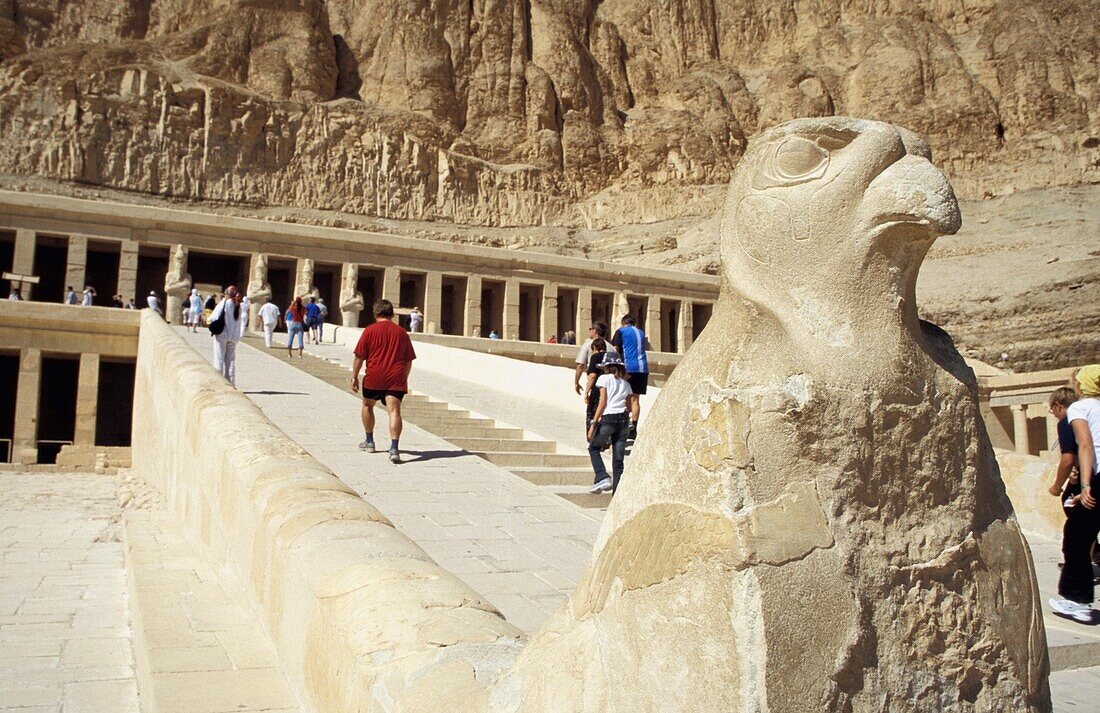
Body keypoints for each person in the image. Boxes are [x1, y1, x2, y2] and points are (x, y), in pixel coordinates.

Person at [1051, 365, 1100, 623]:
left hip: (1096, 478)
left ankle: (1078, 602)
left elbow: (1085, 445)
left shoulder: (1080, 409)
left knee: (1077, 539)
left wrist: (1085, 485)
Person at [350, 299, 416, 464]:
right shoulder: (401, 332)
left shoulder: (370, 330)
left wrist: (354, 375)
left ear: (375, 313)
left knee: (367, 405)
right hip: (395, 378)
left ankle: (369, 441)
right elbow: (408, 360)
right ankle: (394, 448)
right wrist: (404, 378)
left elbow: (359, 356)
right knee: (394, 411)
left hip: (374, 376)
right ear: (392, 314)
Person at [586, 351, 633, 494]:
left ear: (607, 367)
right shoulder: (625, 383)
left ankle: (602, 477)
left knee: (594, 448)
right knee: (618, 462)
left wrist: (593, 423)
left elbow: (602, 401)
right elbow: (630, 406)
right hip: (624, 419)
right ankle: (616, 499)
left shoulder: (604, 379)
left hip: (609, 418)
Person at [611, 315, 649, 439]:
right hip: (642, 368)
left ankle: (623, 425)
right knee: (635, 399)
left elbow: (615, 349)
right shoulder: (641, 332)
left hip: (628, 367)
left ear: (623, 323)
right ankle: (634, 427)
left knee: (624, 396)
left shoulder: (621, 331)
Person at [208, 286, 243, 385]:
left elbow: (213, 317)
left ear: (227, 294)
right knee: (230, 361)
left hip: (222, 334)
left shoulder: (225, 303)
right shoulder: (239, 306)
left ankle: (219, 383)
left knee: (219, 359)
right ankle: (231, 383)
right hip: (233, 336)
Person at [574, 322, 610, 395]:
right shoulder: (611, 347)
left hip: (595, 383)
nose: (589, 331)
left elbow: (580, 365)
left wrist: (576, 382)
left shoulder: (588, 344)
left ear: (595, 331)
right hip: (609, 384)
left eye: (591, 329)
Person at [582, 338, 608, 434]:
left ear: (595, 347)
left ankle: (592, 436)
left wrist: (587, 391)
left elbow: (593, 376)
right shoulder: (614, 357)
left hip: (598, 390)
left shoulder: (595, 357)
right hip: (612, 389)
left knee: (592, 412)